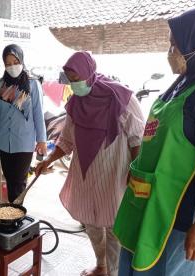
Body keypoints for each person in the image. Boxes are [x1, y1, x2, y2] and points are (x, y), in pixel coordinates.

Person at [113, 7, 195, 276]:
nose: (170, 52)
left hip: (186, 219)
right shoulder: (183, 82)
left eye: (175, 45)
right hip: (154, 207)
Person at [35, 51, 145, 276]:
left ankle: (114, 271)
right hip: (84, 174)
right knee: (91, 222)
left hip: (114, 172)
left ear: (89, 72)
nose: (74, 84)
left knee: (115, 225)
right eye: (70, 79)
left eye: (76, 78)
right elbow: (66, 140)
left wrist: (137, 172)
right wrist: (48, 160)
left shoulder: (120, 98)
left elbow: (137, 138)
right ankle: (101, 265)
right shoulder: (75, 103)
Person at [0, 44, 47, 203]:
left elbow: (38, 114)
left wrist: (41, 140)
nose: (12, 66)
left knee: (19, 184)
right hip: (5, 141)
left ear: (22, 60)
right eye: (8, 63)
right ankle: (14, 216)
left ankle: (16, 217)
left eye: (15, 61)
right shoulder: (1, 85)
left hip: (24, 143)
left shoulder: (33, 85)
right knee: (10, 180)